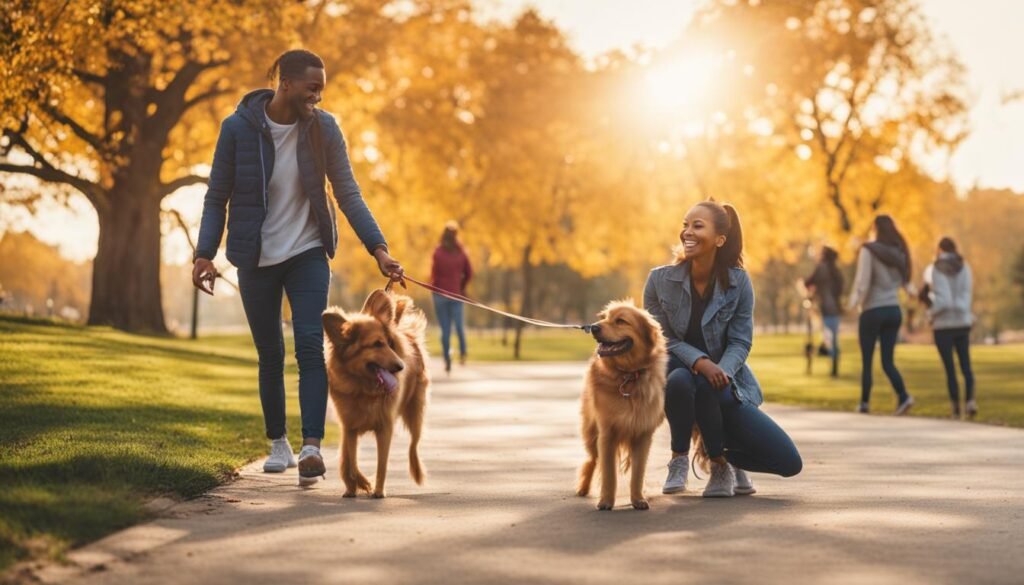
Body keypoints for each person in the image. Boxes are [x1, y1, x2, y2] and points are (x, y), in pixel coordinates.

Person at [191, 50, 404, 485]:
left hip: (307, 252)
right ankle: (278, 443)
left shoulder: (324, 129)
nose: (318, 97)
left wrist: (378, 248)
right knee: (270, 352)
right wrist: (204, 253)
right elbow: (216, 196)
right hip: (255, 256)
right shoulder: (237, 130)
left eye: (322, 89)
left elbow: (347, 192)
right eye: (312, 87)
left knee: (310, 344)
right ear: (284, 83)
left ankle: (311, 447)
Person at [644, 201, 802, 498]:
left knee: (789, 461)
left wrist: (722, 371)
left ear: (720, 239)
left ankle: (724, 457)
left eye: (697, 226)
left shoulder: (739, 283)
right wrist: (701, 362)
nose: (687, 232)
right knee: (679, 380)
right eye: (685, 224)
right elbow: (662, 337)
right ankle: (681, 458)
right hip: (677, 371)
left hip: (722, 383)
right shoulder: (659, 280)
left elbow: (741, 341)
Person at [847, 214, 914, 415]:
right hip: (894, 310)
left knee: (867, 360)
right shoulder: (899, 252)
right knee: (887, 361)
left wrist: (853, 304)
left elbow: (863, 283)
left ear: (875, 228)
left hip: (872, 310)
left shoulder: (869, 250)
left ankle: (865, 403)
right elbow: (906, 284)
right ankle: (903, 396)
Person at [922, 237, 976, 418]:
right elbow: (966, 295)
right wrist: (963, 310)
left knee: (950, 369)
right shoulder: (965, 267)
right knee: (966, 366)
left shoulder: (937, 268)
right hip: (962, 322)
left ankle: (955, 408)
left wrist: (930, 313)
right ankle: (970, 401)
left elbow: (944, 301)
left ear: (939, 249)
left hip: (943, 325)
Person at [430, 220, 473, 373]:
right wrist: (461, 287)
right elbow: (469, 273)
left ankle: (447, 359)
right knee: (459, 327)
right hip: (456, 295)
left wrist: (435, 287)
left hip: (440, 294)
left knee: (445, 329)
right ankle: (462, 353)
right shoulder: (461, 252)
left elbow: (434, 275)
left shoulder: (438, 252)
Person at [805, 246, 845, 377]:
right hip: (835, 309)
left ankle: (813, 363)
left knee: (820, 337)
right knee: (833, 339)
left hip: (822, 309)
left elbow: (809, 282)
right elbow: (840, 288)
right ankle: (834, 367)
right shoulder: (836, 271)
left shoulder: (822, 268)